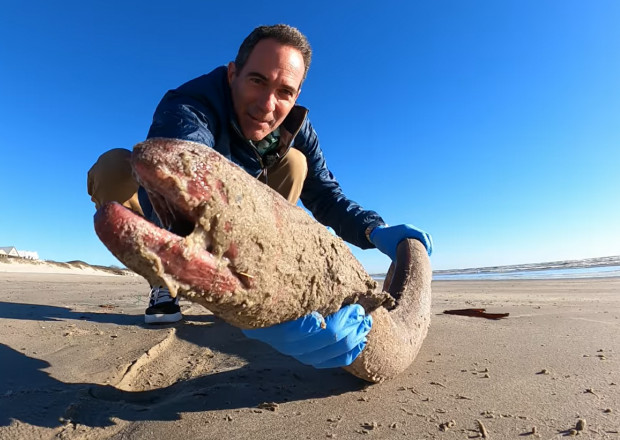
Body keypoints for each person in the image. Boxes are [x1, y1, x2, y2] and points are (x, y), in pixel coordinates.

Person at [88, 24, 432, 369]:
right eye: (257, 80)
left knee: (295, 163)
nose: (267, 105)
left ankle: (259, 277)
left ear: (296, 95)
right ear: (233, 74)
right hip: (204, 211)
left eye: (284, 91)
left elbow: (326, 195)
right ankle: (166, 281)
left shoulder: (298, 128)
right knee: (116, 167)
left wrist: (374, 230)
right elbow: (180, 171)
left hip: (257, 227)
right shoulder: (191, 104)